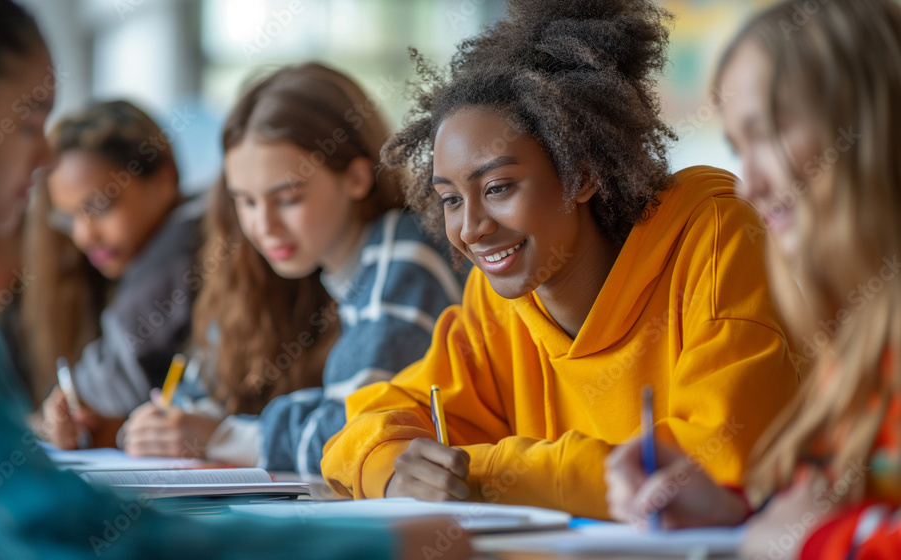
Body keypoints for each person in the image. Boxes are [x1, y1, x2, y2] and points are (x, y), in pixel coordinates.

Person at [0, 1, 469, 558]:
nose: (47, 154)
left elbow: (363, 427)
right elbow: (39, 515)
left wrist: (217, 434)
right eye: (30, 121)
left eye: (288, 197)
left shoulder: (391, 253)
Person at [321, 0, 800, 519]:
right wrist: (394, 471)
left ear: (582, 174)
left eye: (499, 187)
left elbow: (718, 464)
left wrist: (478, 473)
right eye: (451, 199)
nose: (472, 228)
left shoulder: (718, 237)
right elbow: (363, 425)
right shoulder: (500, 291)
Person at [604, 0, 901, 557]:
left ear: (860, 125)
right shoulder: (855, 341)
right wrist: (738, 513)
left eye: (766, 134)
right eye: (739, 149)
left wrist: (801, 539)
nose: (748, 186)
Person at [121, 63, 466, 477]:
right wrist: (155, 428)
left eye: (287, 198)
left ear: (356, 177)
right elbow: (193, 405)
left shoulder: (406, 252)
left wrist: (221, 436)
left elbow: (359, 435)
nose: (262, 227)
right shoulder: (286, 266)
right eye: (245, 202)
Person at [25, 100, 206, 448]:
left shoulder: (184, 241)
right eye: (69, 218)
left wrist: (65, 409)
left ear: (164, 180)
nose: (83, 235)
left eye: (101, 206)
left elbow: (108, 381)